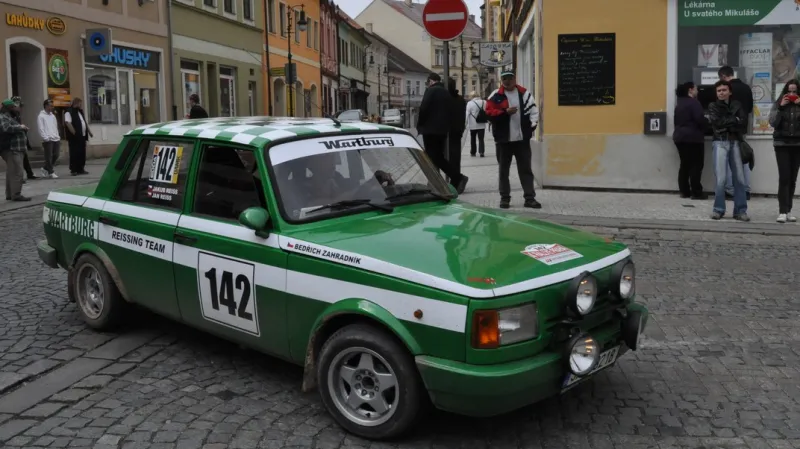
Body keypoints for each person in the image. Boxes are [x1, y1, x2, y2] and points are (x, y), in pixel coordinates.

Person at [484, 70, 541, 209]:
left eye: (510, 78)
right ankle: (505, 198)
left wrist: (532, 127)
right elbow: (488, 113)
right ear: (501, 80)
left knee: (525, 169)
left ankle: (529, 198)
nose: (507, 81)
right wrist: (505, 113)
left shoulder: (524, 93)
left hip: (522, 140)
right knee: (504, 170)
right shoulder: (495, 95)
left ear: (515, 79)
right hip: (503, 141)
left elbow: (534, 111)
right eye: (504, 78)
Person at [417, 72, 468, 193]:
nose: (427, 85)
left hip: (430, 130)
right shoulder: (446, 93)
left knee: (433, 157)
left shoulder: (431, 91)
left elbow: (423, 108)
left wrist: (420, 125)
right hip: (442, 131)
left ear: (430, 81)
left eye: (427, 82)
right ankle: (452, 178)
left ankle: (455, 178)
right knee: (438, 157)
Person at [708, 80, 749, 221]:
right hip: (720, 142)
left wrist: (730, 122)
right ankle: (718, 209)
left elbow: (743, 123)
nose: (721, 93)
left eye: (724, 90)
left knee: (740, 179)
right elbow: (717, 123)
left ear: (730, 91)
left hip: (735, 142)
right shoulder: (713, 106)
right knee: (721, 179)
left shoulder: (737, 104)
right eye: (719, 91)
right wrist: (734, 120)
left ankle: (740, 211)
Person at [718, 66, 753, 200]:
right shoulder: (746, 88)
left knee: (727, 161)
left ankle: (730, 189)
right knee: (743, 159)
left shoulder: (726, 90)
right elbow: (749, 108)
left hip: (728, 130)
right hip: (742, 129)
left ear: (723, 76)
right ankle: (745, 189)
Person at [768, 79, 800, 223]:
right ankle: (782, 211)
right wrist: (781, 107)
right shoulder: (778, 103)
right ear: (785, 91)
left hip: (798, 144)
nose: (792, 94)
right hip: (781, 144)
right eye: (789, 91)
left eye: (794, 91)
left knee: (793, 178)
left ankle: (788, 211)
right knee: (784, 177)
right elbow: (773, 122)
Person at [672, 81, 708, 199]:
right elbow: (699, 119)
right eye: (696, 88)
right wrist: (707, 124)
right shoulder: (694, 103)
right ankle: (696, 192)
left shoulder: (679, 104)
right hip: (693, 138)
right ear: (690, 90)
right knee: (696, 165)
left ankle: (684, 191)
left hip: (679, 137)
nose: (697, 91)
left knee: (685, 164)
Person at [0, 99, 31, 201]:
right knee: (17, 172)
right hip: (11, 148)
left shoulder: (10, 117)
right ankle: (16, 194)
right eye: (13, 107)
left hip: (16, 148)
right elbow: (6, 128)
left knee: (11, 172)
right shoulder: (3, 117)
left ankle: (10, 194)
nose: (15, 108)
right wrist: (20, 127)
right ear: (7, 108)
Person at [10, 97, 38, 181]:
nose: (20, 108)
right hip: (14, 142)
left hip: (21, 140)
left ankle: (29, 173)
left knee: (24, 158)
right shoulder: (10, 115)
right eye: (19, 106)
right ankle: (19, 178)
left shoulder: (17, 114)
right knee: (17, 161)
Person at [64, 97, 92, 176]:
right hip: (74, 137)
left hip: (82, 136)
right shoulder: (69, 112)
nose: (81, 105)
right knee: (74, 153)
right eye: (80, 103)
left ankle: (81, 168)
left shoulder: (80, 112)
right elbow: (67, 122)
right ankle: (74, 169)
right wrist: (74, 132)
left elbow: (84, 122)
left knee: (82, 153)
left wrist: (89, 132)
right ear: (76, 103)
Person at [447, 77, 467, 179]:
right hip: (458, 130)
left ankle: (454, 177)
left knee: (447, 156)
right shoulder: (460, 99)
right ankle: (456, 177)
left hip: (447, 131)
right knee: (455, 156)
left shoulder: (446, 99)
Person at [37, 98, 61, 179]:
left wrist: (57, 136)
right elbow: (41, 128)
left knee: (56, 155)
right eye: (50, 106)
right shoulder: (41, 116)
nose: (52, 107)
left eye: (52, 106)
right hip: (48, 139)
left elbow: (55, 126)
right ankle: (51, 171)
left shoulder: (53, 116)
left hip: (55, 138)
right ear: (46, 106)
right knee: (49, 156)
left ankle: (45, 168)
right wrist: (45, 138)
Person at [465, 91, 487, 157]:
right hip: (482, 124)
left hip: (473, 124)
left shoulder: (470, 103)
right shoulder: (484, 102)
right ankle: (481, 152)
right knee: (481, 139)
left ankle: (473, 152)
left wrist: (465, 123)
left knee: (473, 138)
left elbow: (467, 113)